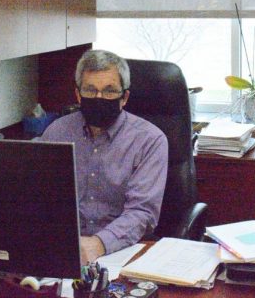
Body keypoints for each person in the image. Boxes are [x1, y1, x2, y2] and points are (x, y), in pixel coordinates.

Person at [37, 49, 168, 264]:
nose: (99, 98)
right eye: (90, 90)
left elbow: (142, 213)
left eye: (109, 91)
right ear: (78, 95)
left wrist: (98, 243)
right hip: (66, 249)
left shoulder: (150, 140)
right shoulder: (56, 133)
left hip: (123, 251)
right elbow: (42, 200)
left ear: (124, 97)